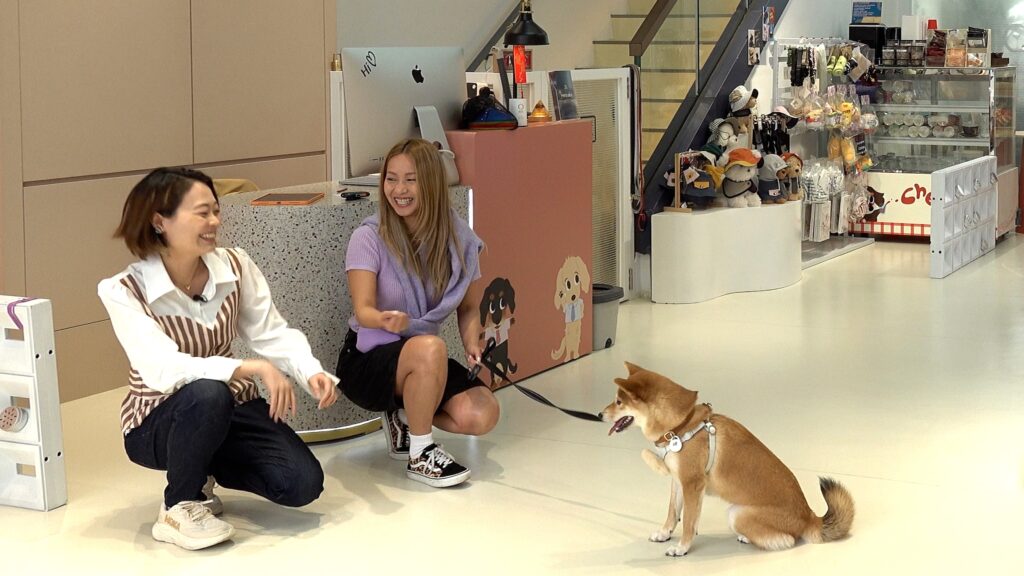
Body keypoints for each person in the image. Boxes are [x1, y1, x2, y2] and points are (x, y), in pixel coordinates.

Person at [98, 167, 339, 550]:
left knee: (301, 484)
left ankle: (200, 466)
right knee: (208, 391)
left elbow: (269, 330)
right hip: (156, 420)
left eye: (215, 211)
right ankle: (178, 505)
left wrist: (309, 370)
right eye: (201, 213)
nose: (214, 221)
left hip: (232, 406)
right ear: (160, 221)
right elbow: (163, 368)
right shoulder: (125, 289)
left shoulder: (235, 265)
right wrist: (249, 367)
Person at [336, 138, 500, 488]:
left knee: (483, 414)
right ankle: (421, 453)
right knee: (431, 347)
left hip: (422, 354)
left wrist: (472, 342)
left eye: (410, 180)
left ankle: (405, 414)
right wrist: (383, 319)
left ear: (431, 184)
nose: (399, 190)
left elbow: (469, 306)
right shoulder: (368, 237)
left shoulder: (458, 238)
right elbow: (363, 310)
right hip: (367, 358)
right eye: (391, 179)